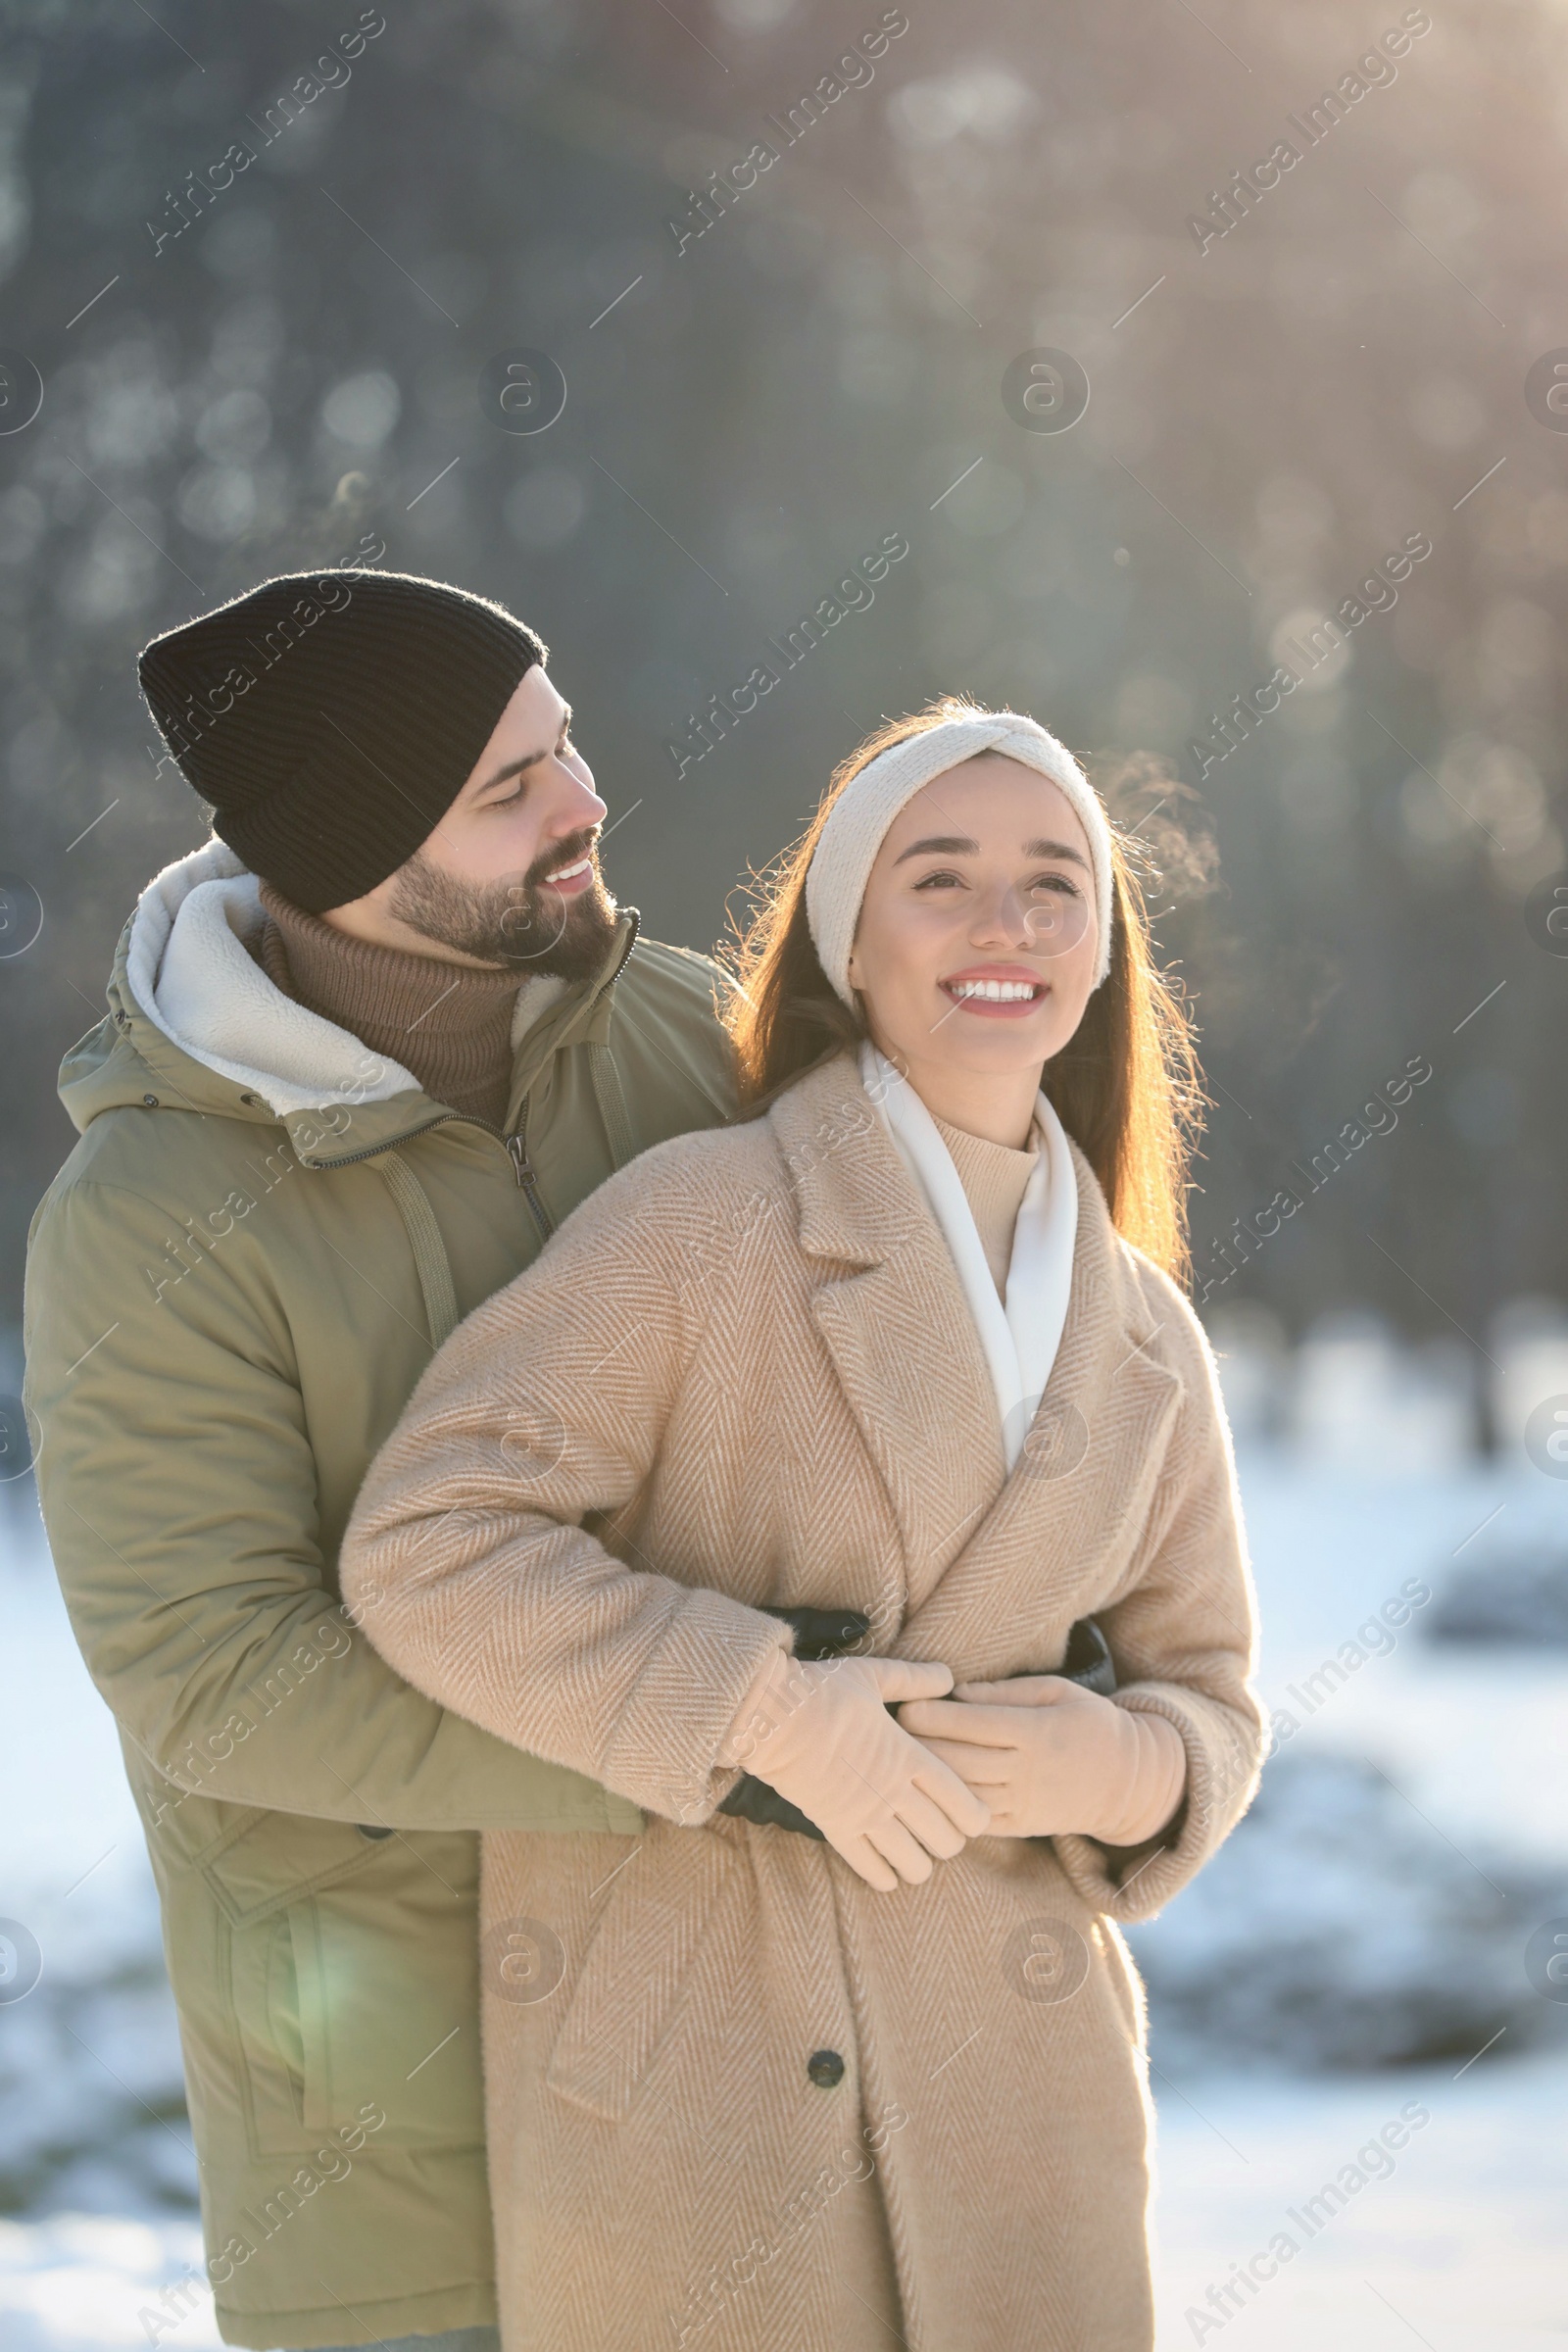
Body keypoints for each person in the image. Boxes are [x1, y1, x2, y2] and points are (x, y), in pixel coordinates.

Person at [340, 699, 1267, 2352]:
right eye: (944, 878)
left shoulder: (1146, 1336)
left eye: (1058, 884)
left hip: (1031, 2119)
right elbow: (430, 1538)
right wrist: (764, 1717)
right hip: (699, 2108)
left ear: (1104, 946)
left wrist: (1127, 1771)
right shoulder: (701, 1223)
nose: (1008, 924)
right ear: (849, 936)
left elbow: (1214, 1698)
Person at [22, 567, 738, 2352]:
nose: (585, 804)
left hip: (751, 2072)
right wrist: (709, 1733)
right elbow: (217, 1675)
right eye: (510, 789)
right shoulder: (150, 1219)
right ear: (341, 849)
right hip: (404, 2161)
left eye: (562, 745)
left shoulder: (703, 1043)